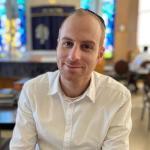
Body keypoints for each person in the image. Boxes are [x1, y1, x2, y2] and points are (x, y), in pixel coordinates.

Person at [10, 8, 132, 150]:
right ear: (57, 46)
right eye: (67, 43)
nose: (73, 56)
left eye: (86, 46)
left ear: (99, 55)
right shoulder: (33, 91)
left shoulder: (118, 97)